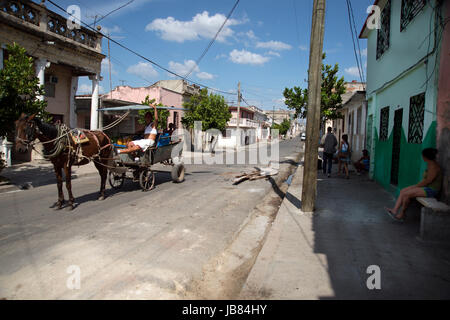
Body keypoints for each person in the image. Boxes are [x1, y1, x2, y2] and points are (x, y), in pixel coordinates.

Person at [385, 148, 443, 222]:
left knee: (406, 194)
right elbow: (426, 181)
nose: (422, 157)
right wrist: (415, 186)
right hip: (426, 188)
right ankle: (394, 210)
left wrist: (415, 186)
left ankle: (402, 214)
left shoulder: (433, 167)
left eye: (423, 156)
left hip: (431, 190)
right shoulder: (429, 164)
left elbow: (428, 181)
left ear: (426, 157)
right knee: (403, 191)